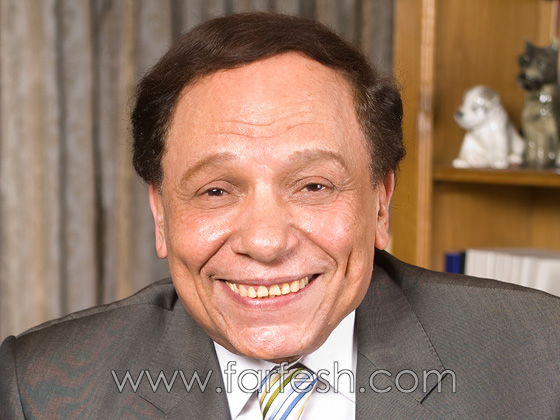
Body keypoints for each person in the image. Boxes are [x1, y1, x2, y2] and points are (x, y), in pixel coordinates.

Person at [1, 12, 559, 420]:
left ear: (380, 203)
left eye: (314, 186)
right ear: (161, 215)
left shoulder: (542, 357)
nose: (266, 242)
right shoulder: (40, 389)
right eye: (216, 190)